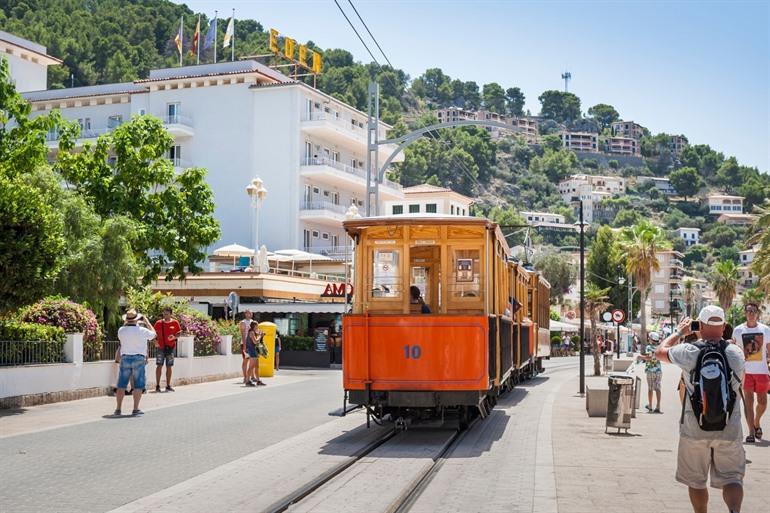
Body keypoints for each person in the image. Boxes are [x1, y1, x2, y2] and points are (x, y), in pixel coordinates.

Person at [655, 306, 745, 513]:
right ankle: (734, 510)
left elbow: (659, 352)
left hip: (694, 428)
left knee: (696, 481)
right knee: (732, 478)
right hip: (729, 428)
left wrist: (679, 333)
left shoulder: (689, 351)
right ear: (723, 326)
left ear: (700, 326)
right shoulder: (736, 353)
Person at [731, 302, 770, 443]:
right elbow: (733, 351)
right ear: (745, 313)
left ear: (757, 313)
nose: (751, 313)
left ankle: (756, 422)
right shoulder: (738, 330)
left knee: (762, 402)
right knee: (748, 402)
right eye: (748, 311)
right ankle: (751, 433)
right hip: (745, 372)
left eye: (754, 311)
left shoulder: (765, 330)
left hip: (762, 372)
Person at [115, 309, 156, 416]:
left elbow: (124, 330)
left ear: (127, 319)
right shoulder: (143, 330)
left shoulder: (121, 330)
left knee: (121, 384)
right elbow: (154, 334)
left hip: (125, 358)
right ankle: (135, 408)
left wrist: (127, 322)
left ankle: (118, 409)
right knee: (138, 385)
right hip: (139, 358)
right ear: (137, 319)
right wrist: (146, 322)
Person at [153, 307, 181, 393]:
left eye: (167, 314)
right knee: (159, 366)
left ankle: (168, 385)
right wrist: (155, 341)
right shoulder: (158, 323)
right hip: (160, 347)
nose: (165, 315)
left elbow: (179, 333)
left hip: (171, 347)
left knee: (169, 366)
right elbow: (153, 334)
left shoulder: (175, 322)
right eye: (164, 314)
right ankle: (157, 386)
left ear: (171, 314)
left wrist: (174, 337)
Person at [638, 332, 663, 413]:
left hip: (650, 370)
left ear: (651, 339)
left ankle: (650, 405)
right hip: (658, 370)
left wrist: (640, 357)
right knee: (658, 388)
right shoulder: (660, 347)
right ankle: (658, 406)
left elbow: (649, 358)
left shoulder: (649, 347)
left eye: (649, 338)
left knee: (650, 389)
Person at [246, 320, 267, 386]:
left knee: (257, 366)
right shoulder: (251, 332)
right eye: (257, 325)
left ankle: (258, 380)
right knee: (251, 366)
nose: (257, 327)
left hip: (254, 350)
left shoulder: (254, 332)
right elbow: (255, 341)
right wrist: (260, 336)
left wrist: (261, 334)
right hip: (252, 350)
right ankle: (247, 381)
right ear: (254, 326)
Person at [239, 310, 253, 385]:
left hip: (252, 344)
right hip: (245, 344)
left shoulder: (253, 322)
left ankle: (249, 377)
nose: (251, 314)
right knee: (245, 360)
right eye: (249, 313)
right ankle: (245, 377)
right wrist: (244, 345)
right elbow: (243, 335)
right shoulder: (243, 322)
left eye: (251, 313)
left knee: (252, 361)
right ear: (245, 314)